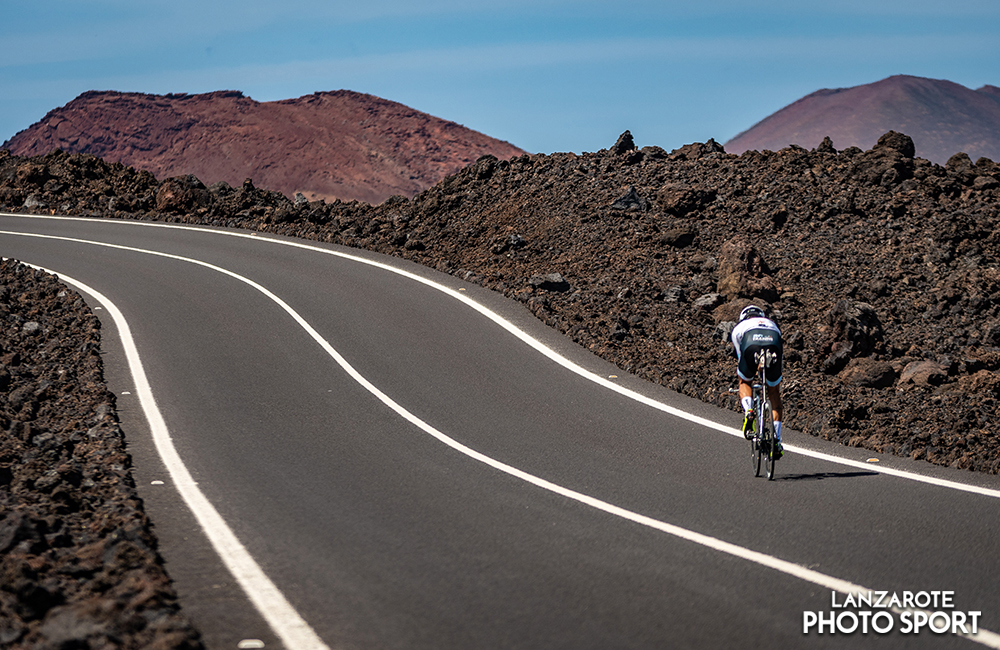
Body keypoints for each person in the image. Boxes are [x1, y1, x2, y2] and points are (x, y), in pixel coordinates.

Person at [731, 305, 784, 459]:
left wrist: (751, 372)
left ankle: (749, 411)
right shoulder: (772, 323)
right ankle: (777, 440)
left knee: (744, 381)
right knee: (774, 392)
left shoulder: (739, 327)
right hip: (773, 340)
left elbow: (740, 356)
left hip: (750, 341)